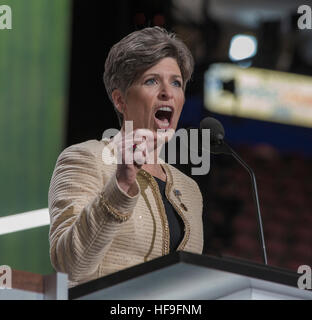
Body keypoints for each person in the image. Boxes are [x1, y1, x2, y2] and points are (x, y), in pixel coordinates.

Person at [48, 27, 203, 288]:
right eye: (152, 81)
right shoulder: (85, 159)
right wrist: (119, 185)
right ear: (120, 100)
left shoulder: (190, 190)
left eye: (176, 82)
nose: (168, 92)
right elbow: (70, 265)